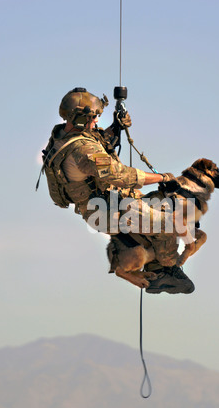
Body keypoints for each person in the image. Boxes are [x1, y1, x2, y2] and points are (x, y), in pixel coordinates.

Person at [42, 87, 194, 294]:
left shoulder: (62, 135)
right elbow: (118, 174)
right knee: (168, 225)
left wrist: (115, 127)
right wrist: (163, 177)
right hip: (107, 211)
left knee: (169, 205)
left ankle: (154, 264)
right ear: (78, 119)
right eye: (93, 117)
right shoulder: (81, 150)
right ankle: (167, 272)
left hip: (105, 204)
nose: (96, 121)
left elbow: (97, 143)